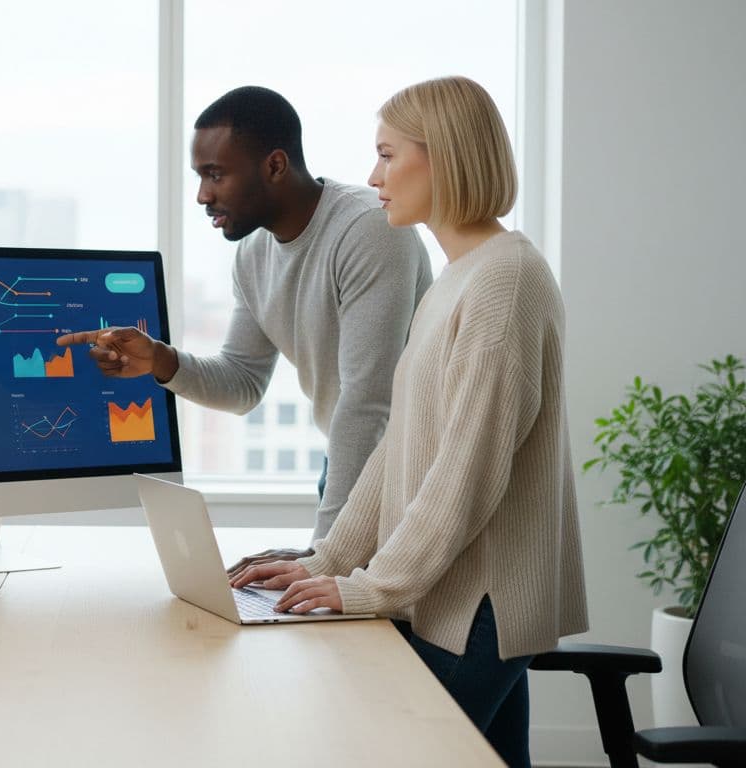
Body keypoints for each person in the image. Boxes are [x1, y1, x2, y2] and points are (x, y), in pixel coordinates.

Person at [230, 76, 588, 767]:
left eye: (388, 155)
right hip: (454, 591)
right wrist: (329, 558)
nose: (372, 177)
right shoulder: (461, 276)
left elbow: (467, 473)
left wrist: (371, 587)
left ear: (445, 157)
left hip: (479, 604)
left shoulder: (502, 286)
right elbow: (398, 449)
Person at [57, 86, 431, 564]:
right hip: (350, 464)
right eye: (199, 176)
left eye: (215, 174)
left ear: (275, 166)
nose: (201, 195)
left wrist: (323, 556)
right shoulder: (253, 256)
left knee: (371, 635)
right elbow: (242, 384)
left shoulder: (368, 229)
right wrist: (161, 361)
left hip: (411, 473)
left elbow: (366, 402)